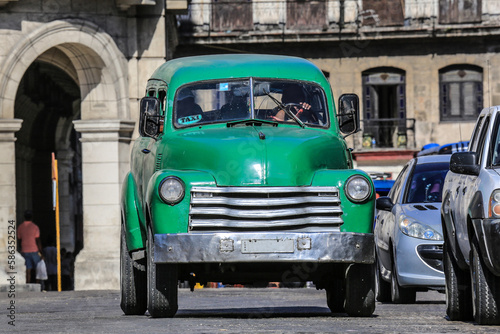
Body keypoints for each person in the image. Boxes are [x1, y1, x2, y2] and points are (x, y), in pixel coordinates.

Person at [17, 210, 43, 283]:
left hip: (24, 251)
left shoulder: (20, 227)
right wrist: (41, 251)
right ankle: (38, 284)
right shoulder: (35, 227)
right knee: (37, 269)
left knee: (27, 270)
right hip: (34, 250)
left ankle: (27, 284)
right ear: (32, 217)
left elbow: (19, 240)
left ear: (24, 217)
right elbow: (38, 240)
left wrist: (21, 247)